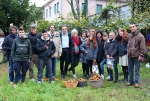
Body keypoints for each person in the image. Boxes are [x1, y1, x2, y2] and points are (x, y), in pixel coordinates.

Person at [127, 23, 146, 88]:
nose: (132, 28)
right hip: (130, 55)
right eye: (131, 27)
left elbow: (143, 47)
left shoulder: (140, 36)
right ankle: (131, 81)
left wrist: (141, 55)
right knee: (130, 69)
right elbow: (128, 45)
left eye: (133, 26)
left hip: (137, 55)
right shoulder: (129, 36)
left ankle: (137, 82)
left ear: (136, 27)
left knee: (137, 69)